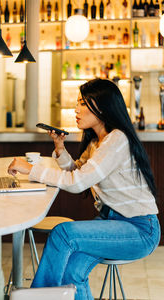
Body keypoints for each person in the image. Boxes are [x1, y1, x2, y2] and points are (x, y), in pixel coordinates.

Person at [8, 78, 160, 300]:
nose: (75, 108)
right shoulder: (97, 142)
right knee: (72, 273)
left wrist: (29, 169)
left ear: (101, 107)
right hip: (112, 223)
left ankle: (38, 298)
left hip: (138, 229)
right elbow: (78, 172)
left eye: (82, 102)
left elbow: (77, 182)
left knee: (63, 233)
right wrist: (59, 148)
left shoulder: (117, 140)